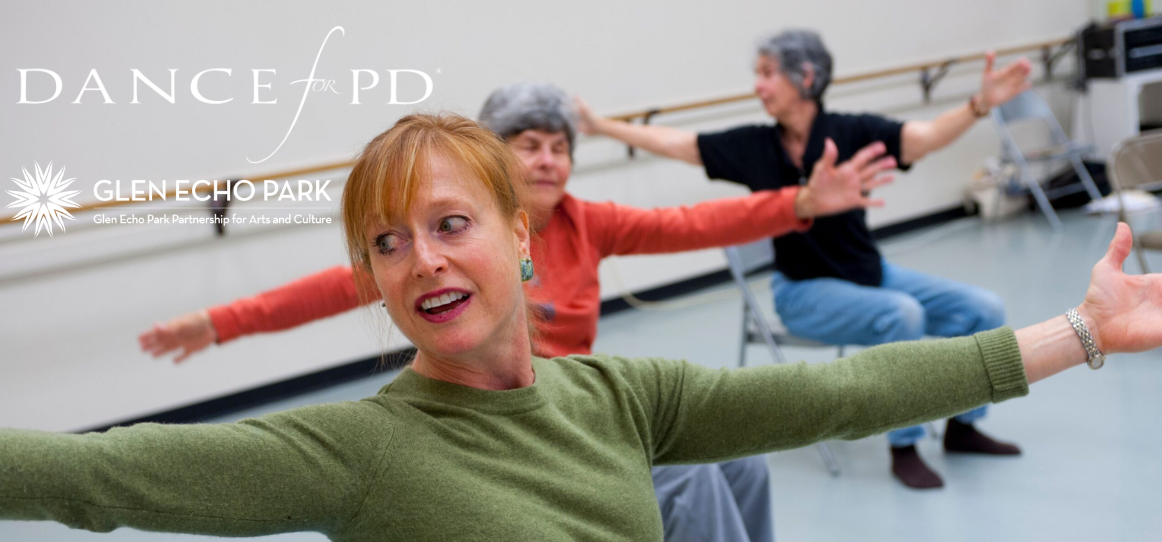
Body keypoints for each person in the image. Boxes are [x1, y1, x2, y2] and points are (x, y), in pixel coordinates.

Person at [4, 112, 1158, 541]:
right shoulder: (355, 450)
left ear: (520, 230)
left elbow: (837, 393)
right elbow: (103, 476)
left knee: (728, 477)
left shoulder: (618, 395)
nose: (420, 258)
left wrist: (1083, 328)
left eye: (448, 222)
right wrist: (214, 320)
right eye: (388, 243)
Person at [137, 83, 895, 542]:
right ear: (494, 165)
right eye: (528, 146)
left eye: (559, 147)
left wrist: (800, 202)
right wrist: (216, 323)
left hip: (581, 414)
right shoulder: (440, 243)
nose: (547, 161)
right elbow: (320, 292)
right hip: (512, 441)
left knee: (741, 459)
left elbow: (694, 224)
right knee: (689, 483)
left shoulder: (589, 222)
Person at [573, 29, 1035, 489]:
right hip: (803, 292)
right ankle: (905, 445)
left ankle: (963, 427)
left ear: (806, 77)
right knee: (902, 314)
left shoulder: (851, 132)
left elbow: (927, 136)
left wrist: (980, 104)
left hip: (870, 275)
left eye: (768, 74)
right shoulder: (755, 145)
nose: (758, 85)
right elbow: (680, 144)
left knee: (983, 309)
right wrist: (600, 126)